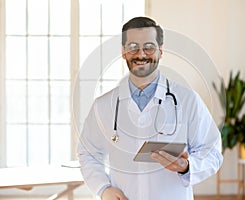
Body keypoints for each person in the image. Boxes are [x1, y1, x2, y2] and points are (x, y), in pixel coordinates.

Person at [77, 16, 223, 200]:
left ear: (160, 51)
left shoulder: (188, 100)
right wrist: (103, 188)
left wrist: (187, 167)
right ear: (123, 52)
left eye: (149, 47)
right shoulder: (103, 105)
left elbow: (212, 151)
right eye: (133, 47)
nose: (141, 54)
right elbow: (88, 154)